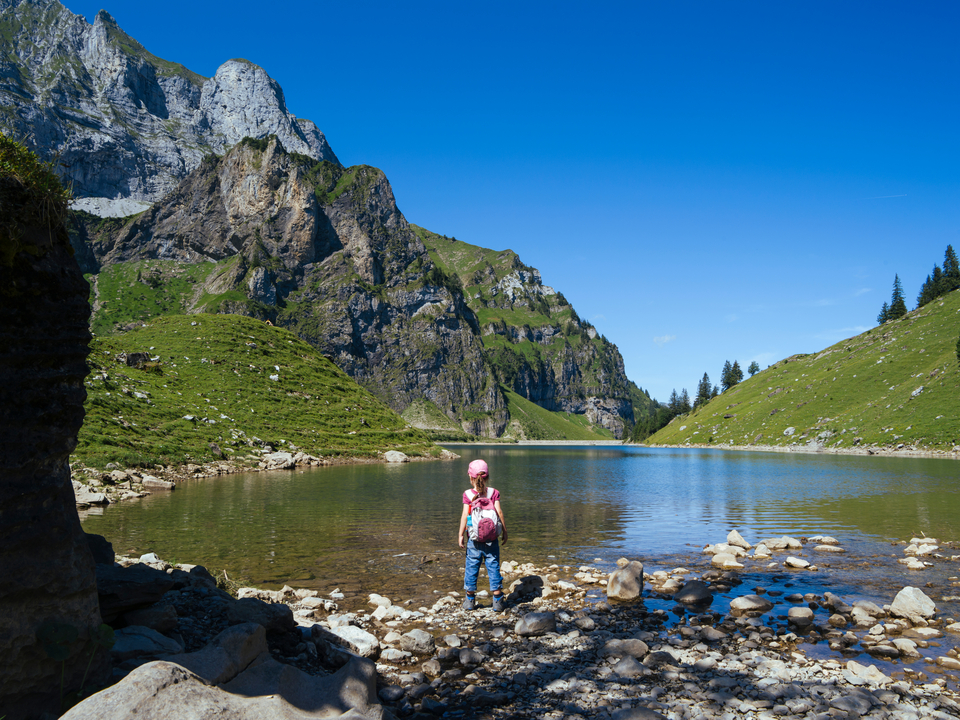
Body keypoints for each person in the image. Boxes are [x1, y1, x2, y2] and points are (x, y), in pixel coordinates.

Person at [457, 458, 508, 611]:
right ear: (487, 476)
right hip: (492, 539)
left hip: (474, 539)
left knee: (472, 567)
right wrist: (505, 531)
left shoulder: (467, 494)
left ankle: (469, 601)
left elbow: (464, 515)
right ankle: (498, 601)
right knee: (493, 565)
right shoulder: (493, 493)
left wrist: (460, 534)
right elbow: (499, 512)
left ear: (470, 476)